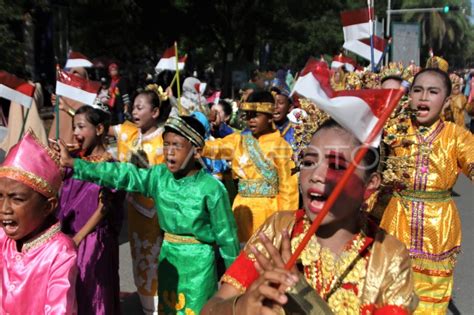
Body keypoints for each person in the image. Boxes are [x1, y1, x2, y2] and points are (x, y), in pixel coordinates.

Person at [201, 118, 417, 315]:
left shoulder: (389, 256)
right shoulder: (280, 230)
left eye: (336, 166)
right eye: (309, 162)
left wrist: (304, 296)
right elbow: (212, 308)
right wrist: (241, 306)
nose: (316, 176)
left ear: (370, 184)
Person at [57, 115, 240, 314]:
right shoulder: (159, 177)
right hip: (168, 259)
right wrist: (75, 164)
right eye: (166, 144)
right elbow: (123, 174)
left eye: (177, 146)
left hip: (199, 264)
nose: (169, 152)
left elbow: (228, 239)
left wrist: (233, 285)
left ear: (196, 151)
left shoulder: (212, 188)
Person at [380, 68, 474, 314]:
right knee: (390, 294)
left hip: (439, 228)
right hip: (396, 222)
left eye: (433, 92)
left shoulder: (458, 137)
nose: (423, 97)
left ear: (445, 101)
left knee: (431, 300)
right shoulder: (394, 131)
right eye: (417, 90)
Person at [202, 91, 298, 242]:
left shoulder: (281, 146)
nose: (251, 120)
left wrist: (284, 222)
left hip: (268, 212)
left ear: (269, 115)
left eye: (256, 115)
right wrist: (194, 141)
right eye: (248, 115)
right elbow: (215, 147)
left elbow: (288, 188)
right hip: (241, 209)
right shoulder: (238, 140)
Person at [55, 105, 125, 314]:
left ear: (100, 129)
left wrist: (79, 239)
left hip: (93, 240)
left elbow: (104, 207)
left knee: (93, 292)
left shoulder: (111, 167)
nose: (76, 132)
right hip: (67, 235)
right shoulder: (74, 159)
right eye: (74, 127)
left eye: (81, 127)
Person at [0, 130, 77, 314]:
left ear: (47, 207)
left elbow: (60, 309)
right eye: (0, 197)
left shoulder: (59, 252)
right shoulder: (3, 238)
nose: (5, 208)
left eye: (17, 199)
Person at [111, 84, 171, 314]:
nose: (134, 112)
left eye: (139, 107)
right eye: (133, 107)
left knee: (156, 259)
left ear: (154, 112)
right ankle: (148, 308)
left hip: (157, 212)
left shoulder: (164, 141)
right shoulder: (130, 134)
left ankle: (158, 307)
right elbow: (100, 129)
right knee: (139, 260)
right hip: (135, 211)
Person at [48, 67, 90, 144]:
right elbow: (57, 117)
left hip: (75, 142)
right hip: (58, 141)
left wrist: (67, 108)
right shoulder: (64, 95)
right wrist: (56, 104)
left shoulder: (88, 98)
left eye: (79, 79)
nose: (76, 81)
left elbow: (86, 120)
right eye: (73, 78)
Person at [270, 77, 294, 146]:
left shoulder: (297, 133)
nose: (275, 106)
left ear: (290, 107)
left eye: (280, 103)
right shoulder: (261, 130)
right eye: (271, 102)